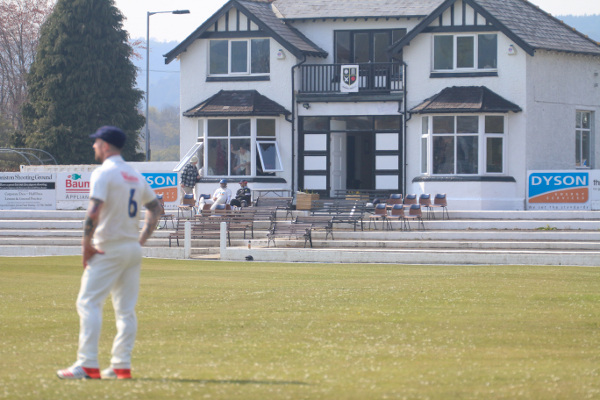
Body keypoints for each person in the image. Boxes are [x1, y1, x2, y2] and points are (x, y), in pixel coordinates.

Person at [56, 126, 162, 380]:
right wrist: (140, 240)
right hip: (131, 248)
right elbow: (156, 209)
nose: (94, 146)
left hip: (109, 246)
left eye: (96, 142)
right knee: (126, 310)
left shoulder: (104, 173)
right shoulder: (134, 175)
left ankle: (88, 364)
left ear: (105, 145)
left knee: (88, 302)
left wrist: (86, 244)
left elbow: (94, 210)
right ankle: (120, 366)